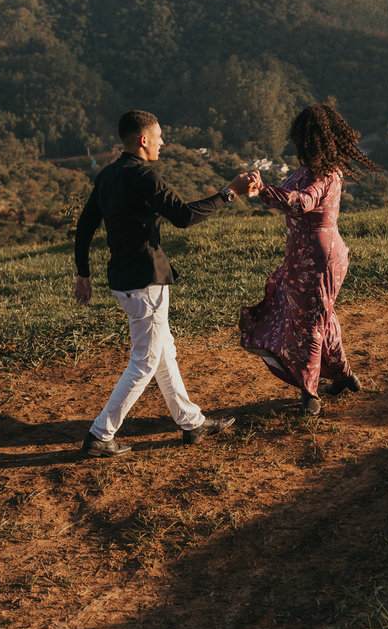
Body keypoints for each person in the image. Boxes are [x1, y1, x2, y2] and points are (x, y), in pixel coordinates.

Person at [74, 110, 257, 456]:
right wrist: (229, 192)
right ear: (143, 140)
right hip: (145, 282)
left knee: (163, 352)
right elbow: (184, 217)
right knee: (144, 361)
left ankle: (191, 422)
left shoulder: (108, 175)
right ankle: (100, 434)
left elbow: (84, 227)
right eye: (158, 137)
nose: (163, 143)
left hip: (124, 280)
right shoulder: (144, 176)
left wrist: (83, 272)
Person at [239, 100, 383, 416]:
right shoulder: (307, 171)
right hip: (302, 259)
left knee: (310, 325)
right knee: (322, 319)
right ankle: (344, 377)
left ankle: (310, 393)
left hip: (320, 262)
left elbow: (301, 203)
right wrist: (263, 190)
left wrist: (265, 190)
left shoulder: (326, 175)